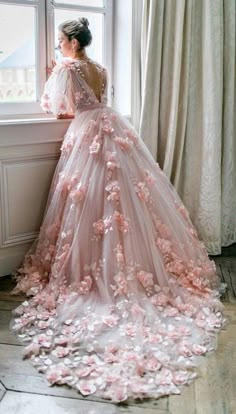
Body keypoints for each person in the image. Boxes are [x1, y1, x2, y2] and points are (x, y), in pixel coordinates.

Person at [11, 17, 226, 403]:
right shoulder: (101, 68)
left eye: (61, 40)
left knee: (91, 199)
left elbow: (55, 108)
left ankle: (98, 270)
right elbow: (96, 101)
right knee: (124, 195)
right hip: (112, 126)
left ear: (74, 43)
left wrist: (59, 82)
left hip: (87, 130)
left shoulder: (69, 68)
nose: (58, 45)